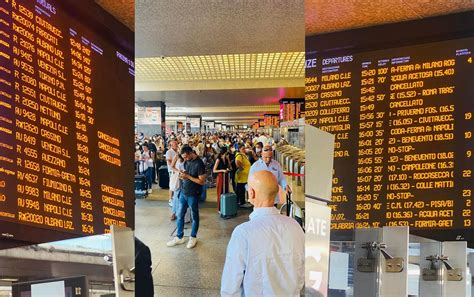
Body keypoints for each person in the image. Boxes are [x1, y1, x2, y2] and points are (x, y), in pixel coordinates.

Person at [221, 171, 304, 296]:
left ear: (251, 193)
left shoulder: (243, 233)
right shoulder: (295, 226)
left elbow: (231, 286)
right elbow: (302, 272)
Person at [167, 145, 206, 249]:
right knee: (180, 215)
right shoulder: (187, 161)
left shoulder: (199, 164)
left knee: (194, 216)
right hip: (184, 192)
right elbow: (187, 173)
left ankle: (193, 237)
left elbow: (202, 181)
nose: (184, 159)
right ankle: (179, 237)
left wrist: (188, 176)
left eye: (186, 157)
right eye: (183, 157)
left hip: (193, 194)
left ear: (191, 153)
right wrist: (184, 175)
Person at [213, 146, 231, 212]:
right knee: (220, 191)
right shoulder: (218, 159)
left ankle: (225, 206)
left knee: (226, 190)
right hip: (220, 176)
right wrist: (222, 170)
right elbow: (214, 170)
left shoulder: (226, 159)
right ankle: (220, 208)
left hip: (226, 176)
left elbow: (230, 167)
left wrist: (228, 159)